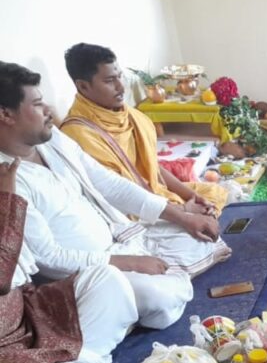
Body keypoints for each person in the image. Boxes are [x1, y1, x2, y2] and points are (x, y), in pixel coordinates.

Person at [0, 63, 230, 329]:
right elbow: (48, 258)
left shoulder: (52, 140)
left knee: (201, 236)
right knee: (159, 297)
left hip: (121, 235)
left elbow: (109, 183)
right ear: (6, 114)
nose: (49, 111)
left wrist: (182, 217)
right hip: (90, 273)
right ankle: (126, 307)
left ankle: (133, 308)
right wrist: (128, 262)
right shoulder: (7, 180)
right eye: (38, 104)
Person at [0, 158, 136, 363]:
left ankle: (84, 362)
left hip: (29, 318)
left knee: (106, 280)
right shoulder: (5, 191)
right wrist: (7, 200)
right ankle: (88, 361)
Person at [60, 43, 229, 213]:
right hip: (130, 212)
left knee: (213, 194)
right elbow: (119, 195)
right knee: (201, 220)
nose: (121, 87)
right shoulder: (78, 135)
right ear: (83, 86)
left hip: (155, 194)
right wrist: (183, 211)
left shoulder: (130, 116)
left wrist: (191, 196)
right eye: (110, 81)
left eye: (120, 77)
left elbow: (152, 168)